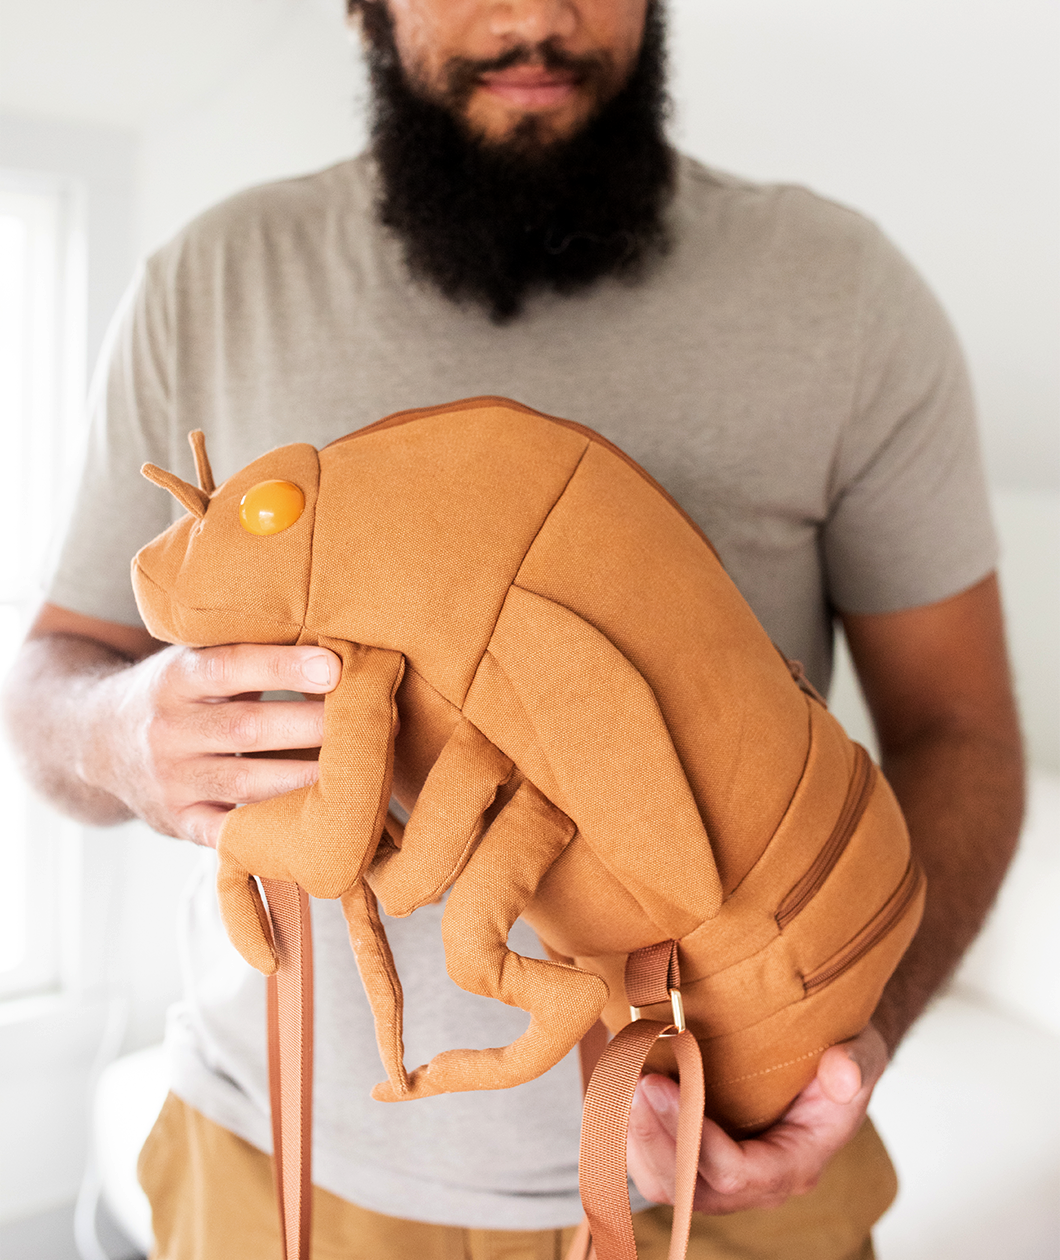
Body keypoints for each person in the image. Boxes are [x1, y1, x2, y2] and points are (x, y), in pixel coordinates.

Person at [3, 1, 1024, 1257]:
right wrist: (119, 735)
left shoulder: (845, 294)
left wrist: (853, 1038)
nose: (536, 15)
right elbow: (55, 673)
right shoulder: (210, 278)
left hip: (733, 1168)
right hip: (280, 1171)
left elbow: (961, 731)